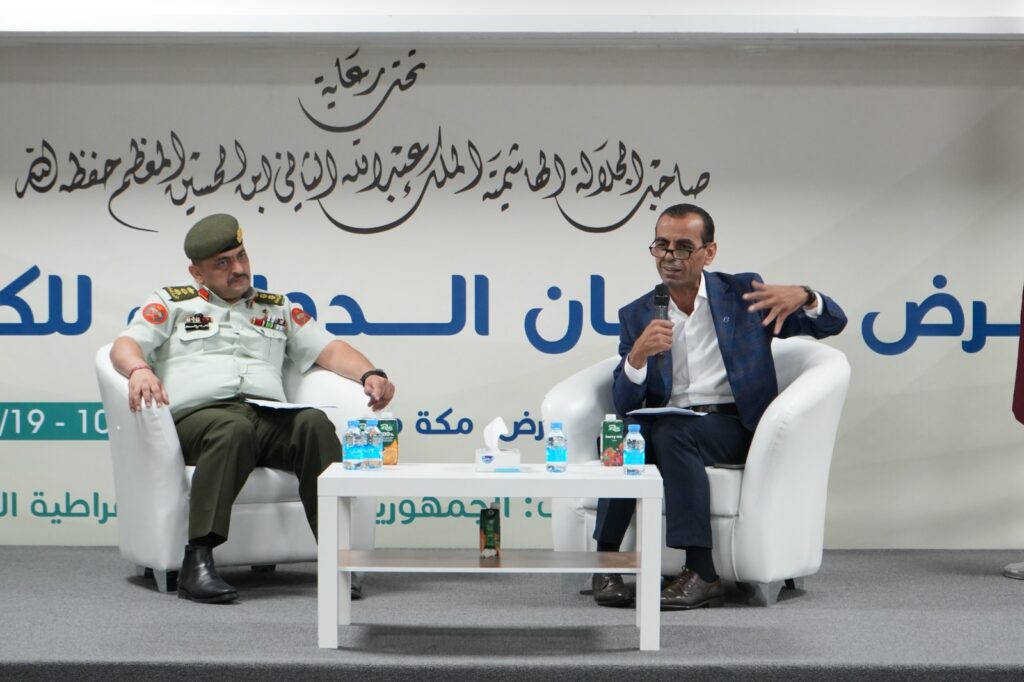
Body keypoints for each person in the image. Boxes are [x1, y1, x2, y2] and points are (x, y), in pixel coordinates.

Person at [110, 213, 395, 604]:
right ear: (197, 272)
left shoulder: (277, 307)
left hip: (265, 416)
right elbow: (125, 345)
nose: (239, 269)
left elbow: (328, 349)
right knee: (232, 429)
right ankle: (198, 561)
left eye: (241, 256)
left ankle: (338, 558)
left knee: (313, 423)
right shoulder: (171, 303)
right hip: (200, 419)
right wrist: (139, 369)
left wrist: (370, 373)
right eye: (223, 263)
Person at [591, 203, 847, 610]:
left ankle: (702, 572)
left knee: (671, 433)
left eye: (683, 246)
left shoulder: (744, 296)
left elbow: (831, 324)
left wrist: (807, 296)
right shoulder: (638, 313)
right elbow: (624, 402)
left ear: (709, 252)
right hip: (666, 424)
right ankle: (606, 565)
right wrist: (636, 357)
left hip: (733, 425)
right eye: (661, 245)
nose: (670, 257)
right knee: (622, 436)